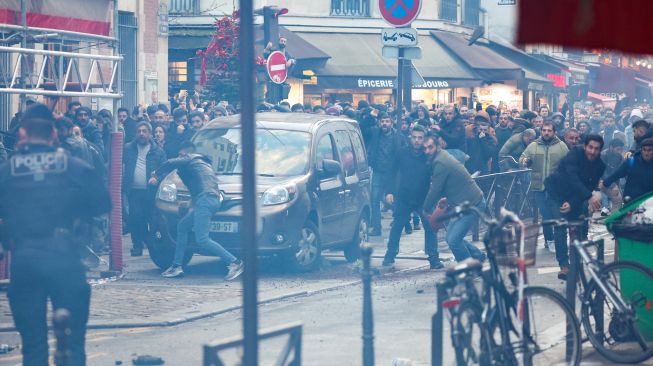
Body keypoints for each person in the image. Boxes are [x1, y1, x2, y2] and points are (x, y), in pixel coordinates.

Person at [0, 103, 111, 365]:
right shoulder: (73, 166)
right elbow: (102, 204)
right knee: (73, 343)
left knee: (33, 345)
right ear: (53, 134)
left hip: (25, 259)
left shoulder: (7, 171)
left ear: (23, 135)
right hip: (65, 256)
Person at [151, 142, 244, 280]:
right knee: (182, 226)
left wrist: (156, 174)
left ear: (184, 154)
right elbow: (200, 187)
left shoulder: (190, 158)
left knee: (202, 239)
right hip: (210, 200)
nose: (179, 158)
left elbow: (170, 162)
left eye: (180, 155)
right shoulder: (204, 164)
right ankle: (176, 266)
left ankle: (235, 262)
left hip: (205, 201)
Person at [545, 135, 605, 279]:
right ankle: (564, 266)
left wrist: (572, 203)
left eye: (596, 149)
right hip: (556, 192)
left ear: (600, 151)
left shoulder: (600, 166)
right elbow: (573, 178)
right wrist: (589, 196)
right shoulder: (575, 154)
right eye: (590, 147)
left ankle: (577, 263)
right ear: (585, 146)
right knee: (560, 227)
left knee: (579, 228)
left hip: (576, 197)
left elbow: (589, 186)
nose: (592, 151)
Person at [383, 126, 443, 269]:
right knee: (397, 226)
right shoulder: (401, 153)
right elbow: (391, 171)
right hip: (404, 196)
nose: (417, 140)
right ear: (410, 137)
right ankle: (390, 255)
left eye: (420, 138)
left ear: (424, 139)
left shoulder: (428, 154)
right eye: (414, 137)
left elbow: (438, 174)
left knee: (430, 227)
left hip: (424, 197)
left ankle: (434, 258)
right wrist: (389, 191)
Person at [422, 134, 486, 263]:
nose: (427, 151)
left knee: (453, 240)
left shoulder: (440, 162)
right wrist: (448, 198)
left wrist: (425, 208)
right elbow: (452, 182)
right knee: (451, 238)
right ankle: (477, 255)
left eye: (430, 147)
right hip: (463, 203)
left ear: (438, 147)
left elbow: (435, 189)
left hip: (471, 204)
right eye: (425, 148)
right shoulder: (442, 157)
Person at [520, 121, 568, 252]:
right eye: (544, 130)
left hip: (555, 187)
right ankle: (549, 240)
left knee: (556, 214)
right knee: (545, 214)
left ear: (554, 132)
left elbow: (569, 164)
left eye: (549, 130)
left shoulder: (561, 146)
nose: (546, 133)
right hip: (538, 186)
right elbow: (523, 157)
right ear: (541, 131)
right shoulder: (533, 145)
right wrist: (524, 161)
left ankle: (558, 239)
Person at [123, 121, 166, 256]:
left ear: (149, 134)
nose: (141, 133)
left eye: (144, 131)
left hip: (150, 191)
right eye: (139, 131)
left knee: (150, 218)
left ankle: (150, 242)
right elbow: (119, 163)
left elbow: (164, 170)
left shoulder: (158, 151)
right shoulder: (128, 148)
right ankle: (137, 245)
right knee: (135, 218)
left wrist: (157, 178)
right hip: (133, 191)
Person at [364, 111, 404, 236]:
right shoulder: (375, 133)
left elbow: (404, 152)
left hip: (393, 174)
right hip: (378, 171)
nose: (385, 123)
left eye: (387, 121)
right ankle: (377, 228)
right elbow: (363, 127)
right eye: (382, 121)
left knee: (395, 200)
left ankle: (401, 223)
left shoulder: (398, 137)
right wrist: (371, 115)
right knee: (375, 200)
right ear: (379, 123)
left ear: (391, 123)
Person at [601, 137, 653, 202]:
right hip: (632, 201)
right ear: (641, 150)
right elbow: (616, 174)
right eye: (644, 150)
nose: (646, 153)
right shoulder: (632, 161)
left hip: (649, 201)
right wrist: (604, 183)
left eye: (649, 150)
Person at [599, 138, 625, 215]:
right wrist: (612, 184)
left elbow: (622, 171)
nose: (619, 152)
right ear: (611, 147)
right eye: (618, 149)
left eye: (621, 150)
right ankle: (605, 207)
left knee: (618, 199)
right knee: (604, 187)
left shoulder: (620, 157)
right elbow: (603, 173)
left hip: (615, 181)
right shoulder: (603, 155)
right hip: (602, 181)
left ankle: (614, 215)